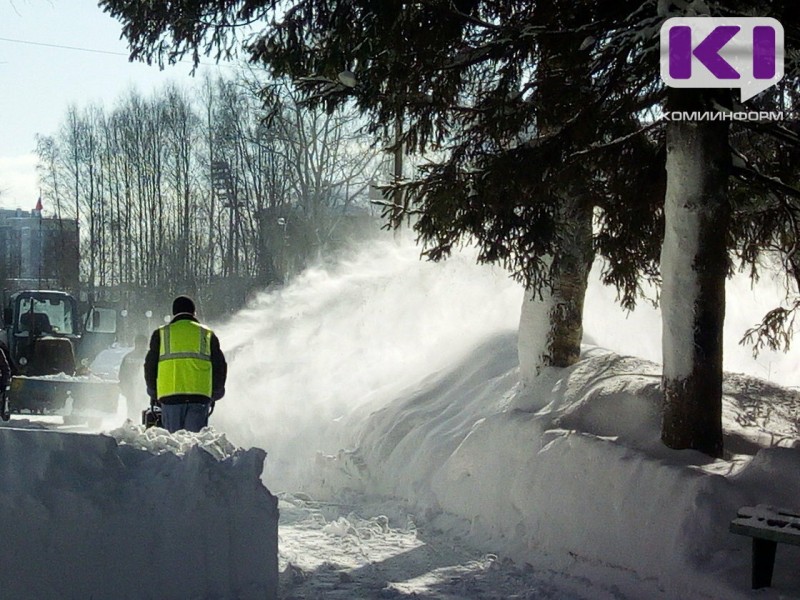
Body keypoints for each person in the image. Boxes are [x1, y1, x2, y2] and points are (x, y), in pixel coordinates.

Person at [144, 295, 227, 433]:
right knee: (193, 443)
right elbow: (220, 365)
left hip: (170, 397)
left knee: (174, 442)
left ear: (174, 312)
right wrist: (217, 391)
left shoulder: (161, 334)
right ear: (194, 312)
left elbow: (150, 366)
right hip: (199, 397)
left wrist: (153, 391)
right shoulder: (207, 334)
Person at [118, 333, 149, 421]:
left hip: (145, 391)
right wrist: (124, 387)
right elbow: (122, 374)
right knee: (132, 412)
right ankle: (133, 429)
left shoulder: (149, 357)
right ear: (135, 344)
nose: (141, 345)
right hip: (131, 390)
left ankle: (144, 428)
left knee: (145, 411)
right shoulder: (128, 357)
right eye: (139, 343)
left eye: (142, 343)